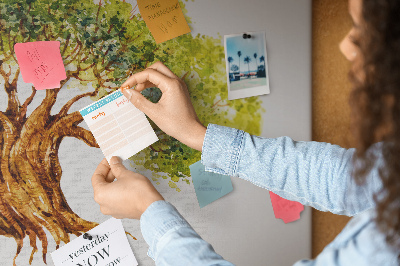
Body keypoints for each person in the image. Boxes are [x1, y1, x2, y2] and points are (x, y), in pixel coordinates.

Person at [90, 0, 400, 264]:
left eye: (364, 30)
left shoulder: (385, 247)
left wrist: (149, 210)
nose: (346, 46)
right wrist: (196, 134)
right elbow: (344, 178)